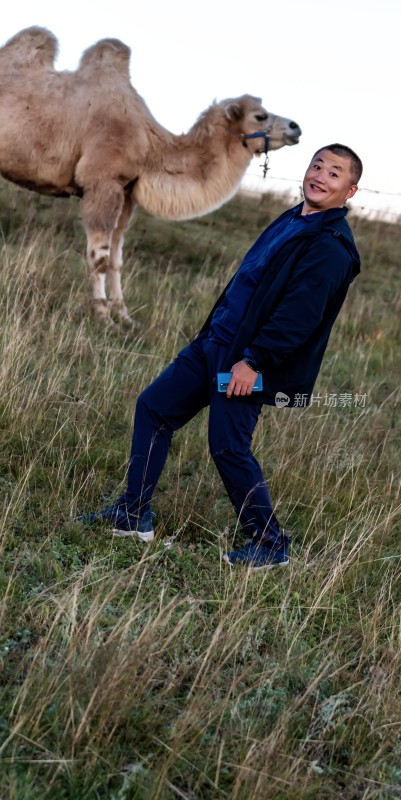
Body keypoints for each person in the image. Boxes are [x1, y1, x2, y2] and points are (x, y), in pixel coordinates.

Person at [78, 144, 362, 571]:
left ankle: (270, 544)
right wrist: (211, 333)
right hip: (215, 344)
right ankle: (132, 514)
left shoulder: (331, 247)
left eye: (334, 173)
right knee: (154, 408)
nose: (320, 175)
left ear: (350, 190)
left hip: (245, 364)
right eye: (316, 165)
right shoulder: (293, 219)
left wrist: (254, 363)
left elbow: (298, 317)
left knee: (228, 447)